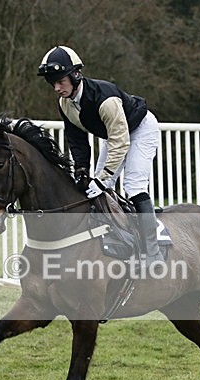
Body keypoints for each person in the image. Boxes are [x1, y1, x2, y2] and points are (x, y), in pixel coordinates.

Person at [37, 45, 163, 265]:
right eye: (52, 83)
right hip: (115, 135)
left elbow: (120, 141)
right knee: (93, 187)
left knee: (133, 185)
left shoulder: (105, 99)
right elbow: (77, 141)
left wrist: (103, 177)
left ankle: (153, 253)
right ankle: (115, 240)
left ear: (75, 75)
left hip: (141, 129)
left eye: (60, 81)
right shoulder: (65, 103)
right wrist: (81, 170)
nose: (57, 88)